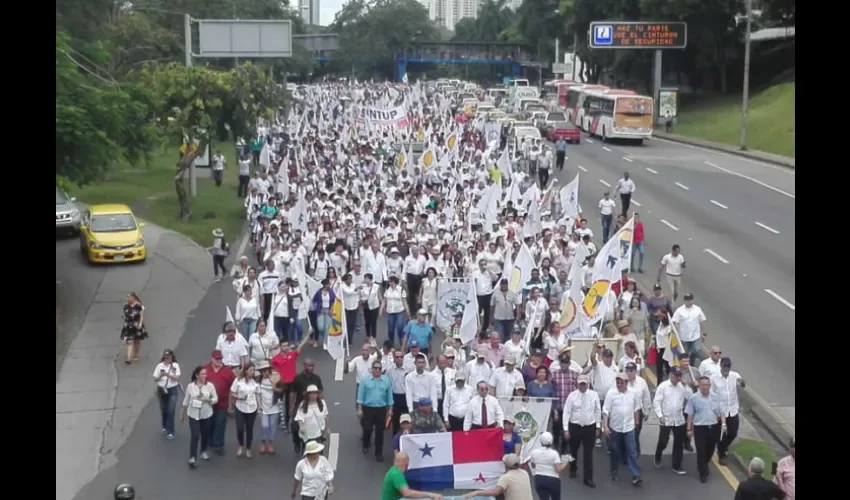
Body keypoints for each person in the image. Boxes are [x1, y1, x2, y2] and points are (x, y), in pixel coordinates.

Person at [602, 373, 642, 486]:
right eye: (618, 382)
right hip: (615, 428)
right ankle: (614, 471)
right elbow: (605, 410)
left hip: (629, 427)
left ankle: (635, 474)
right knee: (614, 451)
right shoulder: (611, 393)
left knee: (632, 451)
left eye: (621, 382)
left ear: (626, 383)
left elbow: (636, 408)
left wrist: (637, 422)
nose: (619, 384)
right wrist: (605, 426)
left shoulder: (633, 393)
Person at [563, 374, 600, 488]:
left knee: (588, 453)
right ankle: (573, 468)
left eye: (584, 384)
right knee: (573, 450)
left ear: (587, 384)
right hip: (575, 427)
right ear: (577, 384)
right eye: (580, 384)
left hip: (589, 427)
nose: (582, 386)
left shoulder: (594, 395)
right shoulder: (572, 396)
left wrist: (598, 426)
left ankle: (588, 478)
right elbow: (567, 412)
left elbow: (597, 411)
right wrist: (566, 430)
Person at [652, 367, 691, 474]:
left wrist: (685, 385)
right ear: (671, 375)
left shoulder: (682, 387)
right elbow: (657, 402)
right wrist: (660, 416)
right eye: (676, 375)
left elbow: (690, 397)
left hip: (679, 419)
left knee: (679, 443)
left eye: (679, 375)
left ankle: (676, 465)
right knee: (663, 441)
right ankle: (658, 453)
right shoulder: (663, 386)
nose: (678, 378)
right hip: (666, 419)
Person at [686, 376, 724, 483]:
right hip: (700, 428)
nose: (705, 387)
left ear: (710, 386)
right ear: (699, 385)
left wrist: (724, 423)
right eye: (703, 385)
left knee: (710, 451)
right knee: (701, 451)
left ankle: (704, 464)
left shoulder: (715, 397)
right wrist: (689, 429)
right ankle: (703, 472)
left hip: (713, 427)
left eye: (707, 385)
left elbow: (721, 411)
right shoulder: (693, 398)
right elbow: (690, 415)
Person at [180, 365, 217, 468]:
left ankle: (203, 450)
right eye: (202, 374)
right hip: (193, 414)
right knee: (195, 435)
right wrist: (182, 414)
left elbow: (215, 398)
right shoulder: (190, 387)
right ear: (197, 375)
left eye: (206, 374)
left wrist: (208, 400)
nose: (205, 375)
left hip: (206, 414)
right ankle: (192, 457)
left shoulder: (210, 386)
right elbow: (186, 400)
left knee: (205, 434)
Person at [357, 359, 393, 462]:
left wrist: (390, 410)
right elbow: (360, 395)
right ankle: (366, 442)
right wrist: (359, 409)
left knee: (380, 432)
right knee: (367, 428)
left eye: (379, 368)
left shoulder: (386, 380)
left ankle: (379, 453)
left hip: (381, 409)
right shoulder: (365, 380)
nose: (377, 370)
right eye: (375, 368)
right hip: (368, 408)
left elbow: (389, 396)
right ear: (371, 369)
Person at [463, 453, 533, 500]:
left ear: (505, 464)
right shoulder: (525, 473)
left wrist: (476, 492)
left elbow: (496, 492)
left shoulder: (506, 477)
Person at [230, 362, 260, 458]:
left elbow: (257, 395)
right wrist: (239, 397)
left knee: (249, 428)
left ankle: (248, 448)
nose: (253, 372)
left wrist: (259, 407)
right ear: (246, 371)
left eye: (253, 370)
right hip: (240, 407)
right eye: (251, 370)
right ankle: (241, 445)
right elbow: (232, 392)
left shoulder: (255, 382)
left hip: (252, 408)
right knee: (240, 428)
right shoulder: (238, 380)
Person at [152, 349, 181, 440]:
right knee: (164, 409)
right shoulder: (159, 366)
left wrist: (168, 375)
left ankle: (170, 431)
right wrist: (161, 375)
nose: (167, 359)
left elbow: (177, 378)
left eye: (169, 357)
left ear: (172, 357)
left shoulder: (175, 366)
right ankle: (164, 426)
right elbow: (155, 379)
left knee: (170, 410)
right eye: (166, 357)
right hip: (162, 390)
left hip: (172, 390)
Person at [529, 432, 566, 500]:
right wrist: (565, 463)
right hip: (553, 480)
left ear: (541, 441)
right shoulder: (554, 454)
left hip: (539, 479)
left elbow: (533, 465)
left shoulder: (534, 452)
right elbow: (558, 469)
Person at [294, 384, 329, 453]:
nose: (313, 395)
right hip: (307, 434)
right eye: (311, 393)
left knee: (319, 451)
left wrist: (327, 429)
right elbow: (299, 418)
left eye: (315, 393)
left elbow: (326, 416)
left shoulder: (322, 403)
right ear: (308, 395)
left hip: (318, 432)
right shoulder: (303, 405)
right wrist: (301, 427)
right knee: (309, 452)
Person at [121, 292, 147, 364]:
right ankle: (128, 358)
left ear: (133, 297)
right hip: (128, 325)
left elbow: (141, 316)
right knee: (129, 341)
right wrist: (124, 317)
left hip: (136, 325)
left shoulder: (138, 305)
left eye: (129, 297)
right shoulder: (126, 306)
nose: (127, 298)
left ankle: (136, 355)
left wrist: (140, 324)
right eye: (127, 297)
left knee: (136, 341)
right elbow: (125, 314)